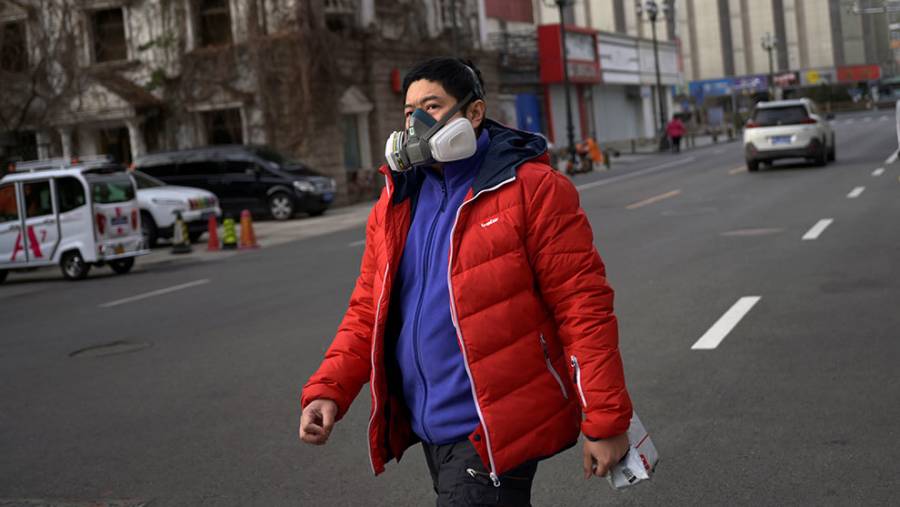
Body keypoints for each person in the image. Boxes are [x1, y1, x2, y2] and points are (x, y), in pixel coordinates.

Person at [299, 57, 633, 506]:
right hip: (430, 425)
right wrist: (329, 390)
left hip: (489, 426)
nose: (417, 121)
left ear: (474, 113)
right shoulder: (396, 201)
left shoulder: (533, 189)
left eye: (432, 106)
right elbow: (368, 310)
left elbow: (582, 308)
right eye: (409, 110)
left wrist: (606, 421)